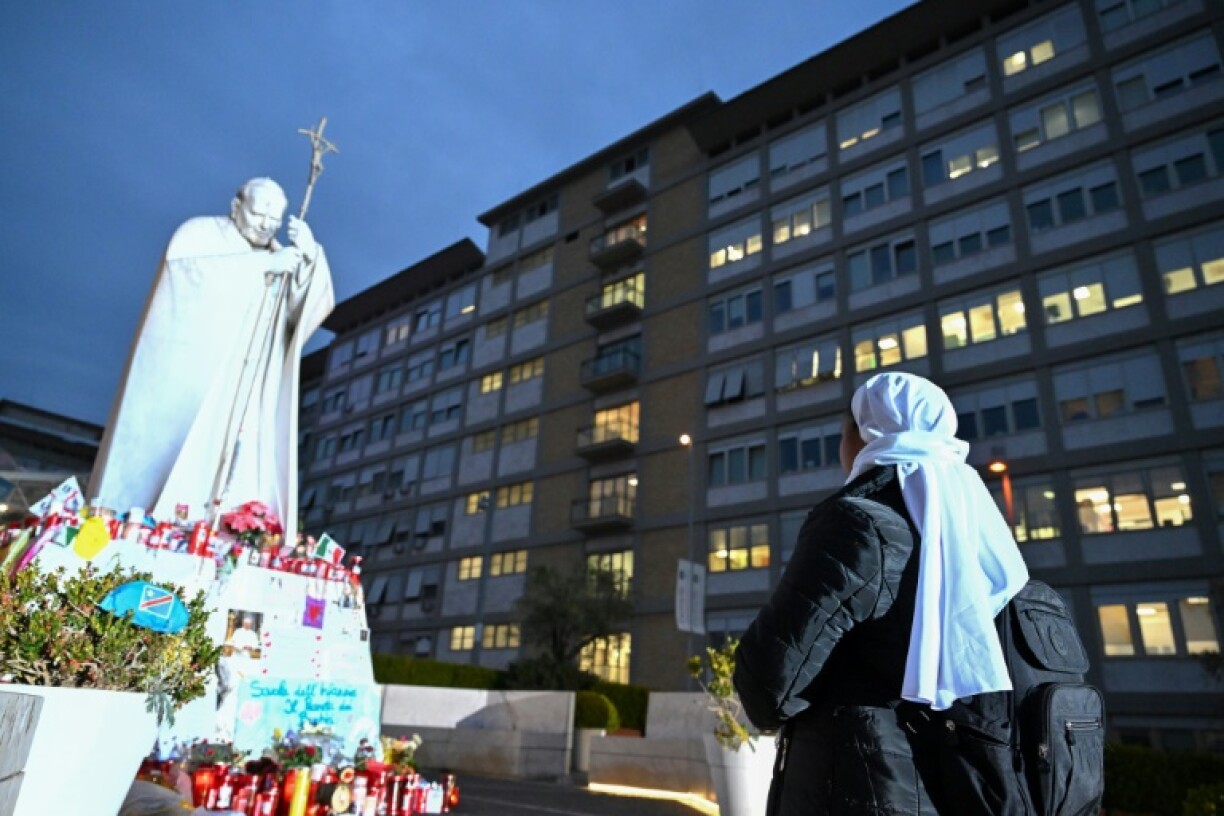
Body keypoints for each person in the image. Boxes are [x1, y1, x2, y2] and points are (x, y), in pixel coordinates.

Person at [733, 372, 1030, 815]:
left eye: (842, 433)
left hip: (858, 791)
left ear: (863, 435)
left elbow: (767, 686)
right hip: (964, 790)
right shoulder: (982, 532)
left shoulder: (855, 523)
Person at [89, 178, 334, 545]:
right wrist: (264, 266)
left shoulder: (282, 256)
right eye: (258, 213)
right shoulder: (199, 236)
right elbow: (187, 276)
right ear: (237, 207)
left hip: (245, 387)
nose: (266, 224)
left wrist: (308, 259)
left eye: (274, 217)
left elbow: (299, 317)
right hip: (194, 375)